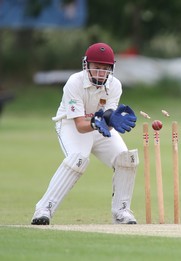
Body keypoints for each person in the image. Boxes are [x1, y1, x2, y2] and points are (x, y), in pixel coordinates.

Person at [31, 43, 139, 225]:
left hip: (98, 128)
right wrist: (96, 122)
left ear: (111, 68)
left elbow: (107, 122)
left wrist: (111, 120)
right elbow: (80, 125)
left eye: (105, 69)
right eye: (96, 67)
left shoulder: (115, 85)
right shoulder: (74, 82)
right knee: (78, 159)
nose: (100, 72)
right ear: (87, 65)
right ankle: (44, 209)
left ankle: (121, 212)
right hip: (71, 125)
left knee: (126, 159)